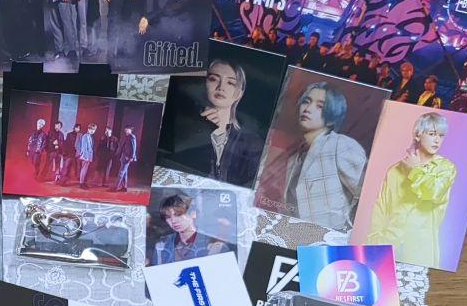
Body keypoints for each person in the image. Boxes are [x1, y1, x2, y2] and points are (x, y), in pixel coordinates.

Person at [364, 112, 456, 268]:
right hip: (389, 244)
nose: (437, 140)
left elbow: (433, 193)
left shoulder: (446, 168)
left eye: (441, 135)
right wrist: (374, 243)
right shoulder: (395, 170)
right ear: (418, 135)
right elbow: (381, 208)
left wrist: (415, 169)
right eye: (432, 134)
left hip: (421, 251)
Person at [280, 81, 367, 231]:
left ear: (332, 116)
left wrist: (346, 232)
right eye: (306, 101)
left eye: (320, 106)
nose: (308, 109)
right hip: (294, 233)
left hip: (329, 237)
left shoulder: (340, 145)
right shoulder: (294, 157)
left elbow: (367, 195)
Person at [188, 56, 264, 187]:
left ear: (239, 93)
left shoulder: (251, 143)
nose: (221, 87)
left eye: (230, 83)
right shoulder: (186, 130)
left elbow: (252, 188)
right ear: (203, 84)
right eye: (213, 79)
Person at [150, 192, 231, 265]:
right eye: (168, 217)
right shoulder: (162, 245)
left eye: (178, 214)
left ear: (193, 214)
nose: (173, 220)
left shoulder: (214, 244)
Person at [111, 125, 138, 193]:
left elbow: (134, 148)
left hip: (127, 157)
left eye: (127, 130)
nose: (125, 131)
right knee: (124, 172)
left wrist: (131, 157)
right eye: (125, 129)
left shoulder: (132, 137)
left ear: (130, 130)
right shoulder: (128, 137)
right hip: (124, 156)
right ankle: (124, 187)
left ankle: (116, 187)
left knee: (121, 172)